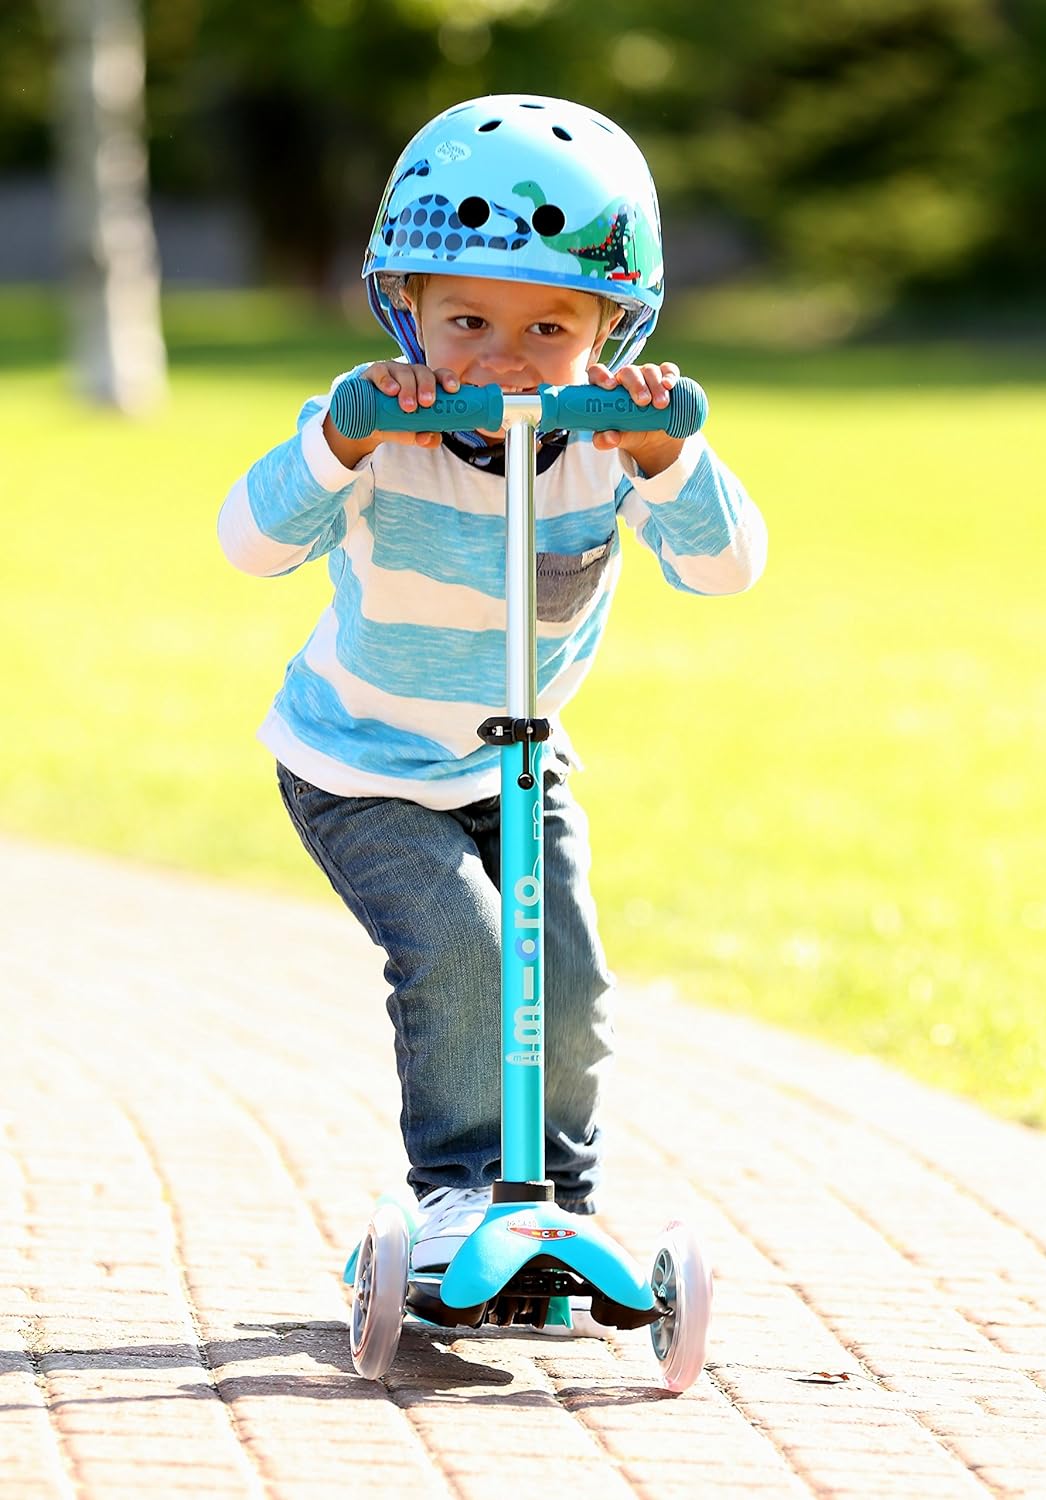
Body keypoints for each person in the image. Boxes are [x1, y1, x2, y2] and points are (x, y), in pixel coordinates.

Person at [218, 94, 767, 1274]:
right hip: (359, 764)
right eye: (465, 320)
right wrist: (342, 441)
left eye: (547, 327)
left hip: (517, 763)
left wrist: (668, 453)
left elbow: (726, 570)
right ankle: (461, 1194)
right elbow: (250, 545)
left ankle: (553, 1202)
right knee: (467, 957)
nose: (501, 360)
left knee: (567, 986)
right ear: (405, 308)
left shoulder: (610, 446)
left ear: (613, 331)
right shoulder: (381, 431)